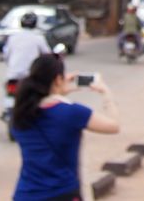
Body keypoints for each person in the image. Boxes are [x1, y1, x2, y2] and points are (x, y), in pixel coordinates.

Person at [12, 54, 118, 201]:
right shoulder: (71, 112)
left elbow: (46, 104)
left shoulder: (20, 114)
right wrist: (105, 92)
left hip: (25, 194)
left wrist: (58, 88)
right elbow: (113, 126)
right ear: (57, 79)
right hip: (61, 193)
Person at [3, 11, 52, 94]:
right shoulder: (38, 38)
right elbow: (47, 56)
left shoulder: (12, 38)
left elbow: (6, 56)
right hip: (31, 76)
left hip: (13, 77)